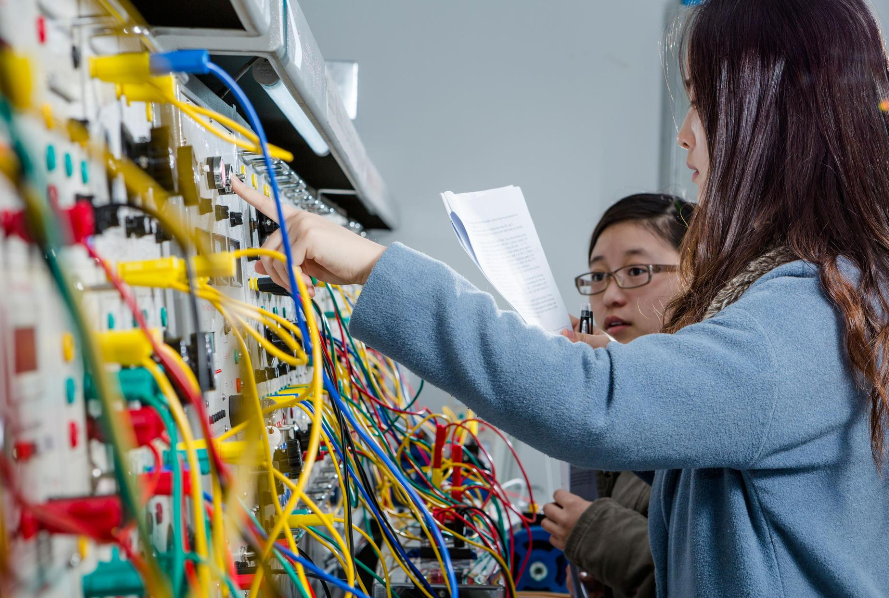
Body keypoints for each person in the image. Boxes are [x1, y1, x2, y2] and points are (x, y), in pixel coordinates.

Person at [233, 0, 889, 594]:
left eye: (700, 99)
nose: (686, 132)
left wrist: (376, 268)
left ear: (764, 112)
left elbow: (588, 405)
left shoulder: (805, 313)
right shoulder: (832, 288)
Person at [543, 194, 695, 598]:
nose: (610, 295)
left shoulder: (706, 407)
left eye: (636, 270)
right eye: (598, 276)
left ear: (700, 272)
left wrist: (595, 534)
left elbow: (707, 571)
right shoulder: (620, 395)